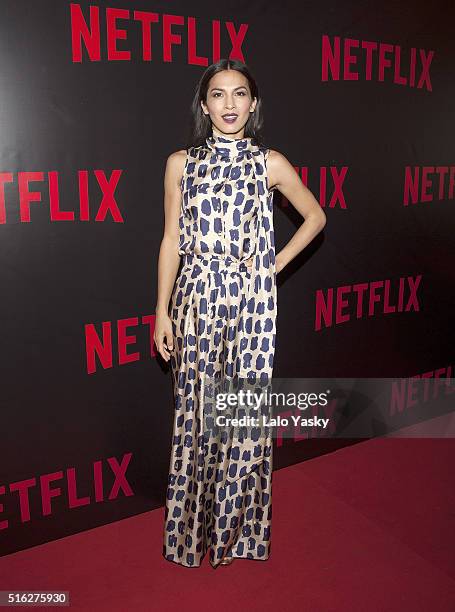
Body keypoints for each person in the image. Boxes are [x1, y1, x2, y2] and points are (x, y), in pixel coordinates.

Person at [154, 59, 326, 569]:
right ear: (204, 105)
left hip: (252, 304)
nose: (229, 104)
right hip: (197, 299)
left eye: (240, 94)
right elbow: (171, 240)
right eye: (218, 95)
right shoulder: (179, 163)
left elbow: (315, 216)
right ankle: (189, 537)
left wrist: (272, 265)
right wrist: (161, 311)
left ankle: (238, 537)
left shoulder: (270, 162)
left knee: (244, 418)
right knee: (195, 418)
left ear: (253, 104)